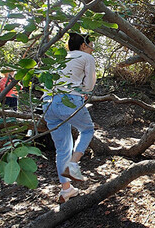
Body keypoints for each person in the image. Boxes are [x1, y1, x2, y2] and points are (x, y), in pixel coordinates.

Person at [43, 33, 97, 203]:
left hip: (48, 103)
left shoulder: (59, 58)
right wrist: (84, 93)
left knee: (62, 149)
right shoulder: (86, 57)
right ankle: (73, 164)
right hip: (69, 100)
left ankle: (66, 190)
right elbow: (89, 85)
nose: (92, 49)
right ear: (83, 45)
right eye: (91, 45)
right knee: (87, 130)